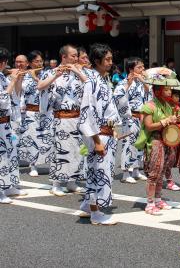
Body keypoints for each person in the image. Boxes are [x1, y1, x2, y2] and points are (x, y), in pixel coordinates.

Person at [78, 43, 121, 225]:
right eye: (107, 59)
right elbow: (88, 112)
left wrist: (115, 129)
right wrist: (96, 140)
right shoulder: (92, 82)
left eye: (111, 59)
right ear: (97, 61)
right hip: (99, 134)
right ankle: (96, 213)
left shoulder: (103, 80)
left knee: (101, 171)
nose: (111, 62)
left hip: (107, 131)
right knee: (97, 172)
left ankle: (89, 205)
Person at [38, 44, 87, 196]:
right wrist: (56, 76)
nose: (76, 58)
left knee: (77, 151)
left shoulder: (78, 72)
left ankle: (72, 182)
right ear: (63, 57)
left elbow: (91, 86)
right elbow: (40, 86)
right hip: (61, 117)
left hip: (78, 117)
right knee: (61, 151)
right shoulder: (52, 72)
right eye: (73, 55)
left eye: (76, 55)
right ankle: (56, 183)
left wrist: (78, 72)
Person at [135, 70, 180, 215]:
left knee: (162, 171)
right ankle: (149, 203)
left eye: (169, 89)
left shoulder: (167, 106)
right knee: (154, 172)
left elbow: (169, 123)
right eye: (166, 89)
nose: (169, 92)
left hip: (165, 141)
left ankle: (158, 199)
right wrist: (164, 121)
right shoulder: (149, 106)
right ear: (158, 90)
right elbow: (148, 126)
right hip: (154, 141)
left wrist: (173, 120)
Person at [18, 50, 54, 177]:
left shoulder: (47, 73)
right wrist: (32, 76)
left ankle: (49, 163)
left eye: (41, 61)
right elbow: (25, 89)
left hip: (46, 112)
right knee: (32, 138)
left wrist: (36, 77)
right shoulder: (25, 75)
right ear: (30, 63)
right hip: (31, 112)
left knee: (48, 138)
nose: (39, 63)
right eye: (36, 61)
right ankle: (33, 165)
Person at [113, 57, 148, 184]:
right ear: (131, 69)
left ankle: (136, 170)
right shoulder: (123, 83)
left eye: (143, 67)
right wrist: (128, 84)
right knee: (128, 144)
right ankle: (126, 172)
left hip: (141, 116)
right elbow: (118, 98)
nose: (142, 69)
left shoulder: (140, 83)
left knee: (140, 144)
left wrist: (144, 81)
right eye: (139, 67)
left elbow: (148, 96)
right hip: (130, 117)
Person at [0, 47, 27, 203]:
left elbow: (15, 96)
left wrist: (19, 79)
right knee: (1, 157)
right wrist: (14, 80)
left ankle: (8, 185)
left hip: (6, 123)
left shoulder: (3, 77)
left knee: (10, 155)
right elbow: (2, 100)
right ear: (4, 62)